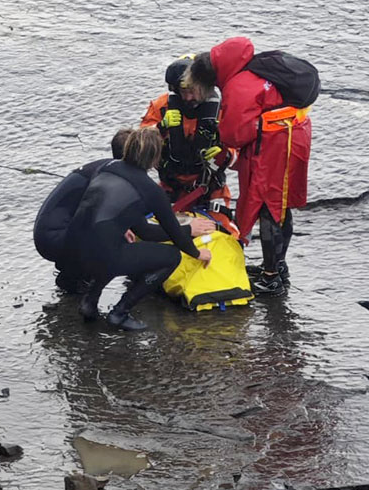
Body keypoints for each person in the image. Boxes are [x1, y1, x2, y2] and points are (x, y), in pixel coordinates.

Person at [185, 38, 312, 296]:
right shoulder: (254, 69)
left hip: (273, 147)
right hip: (293, 135)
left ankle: (271, 277)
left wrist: (220, 144)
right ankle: (278, 266)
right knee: (281, 203)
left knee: (267, 205)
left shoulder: (238, 86)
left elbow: (234, 134)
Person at [64, 127, 215, 331]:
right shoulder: (151, 190)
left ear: (129, 147)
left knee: (113, 243)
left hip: (71, 249)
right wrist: (197, 252)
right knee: (172, 256)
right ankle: (120, 312)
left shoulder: (106, 167)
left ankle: (89, 303)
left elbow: (115, 215)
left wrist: (121, 228)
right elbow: (166, 235)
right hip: (99, 255)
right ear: (155, 159)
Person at [140, 57, 238, 237]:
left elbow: (239, 152)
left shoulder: (222, 109)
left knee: (226, 234)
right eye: (183, 91)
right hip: (169, 187)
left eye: (192, 91)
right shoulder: (162, 107)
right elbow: (139, 145)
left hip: (210, 188)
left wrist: (224, 154)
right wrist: (160, 128)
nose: (188, 97)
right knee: (149, 228)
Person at [34, 129, 131, 293]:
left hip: (45, 233)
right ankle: (72, 277)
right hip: (52, 239)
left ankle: (71, 270)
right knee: (112, 237)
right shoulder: (110, 174)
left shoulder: (102, 166)